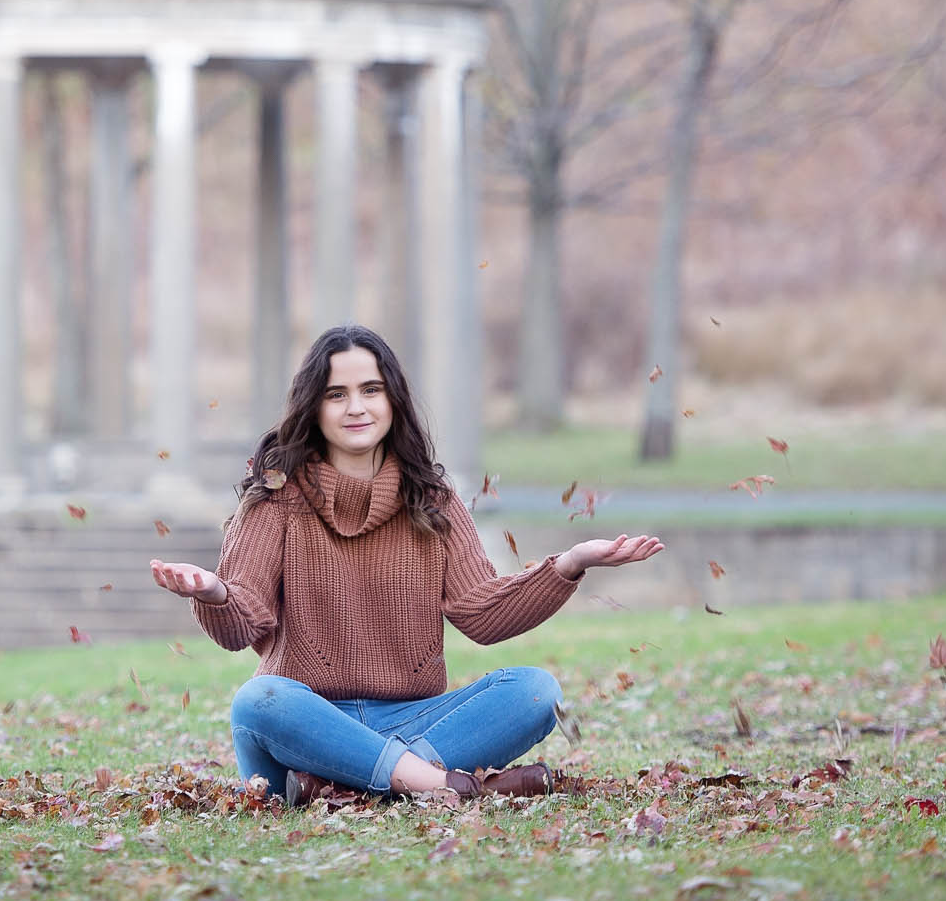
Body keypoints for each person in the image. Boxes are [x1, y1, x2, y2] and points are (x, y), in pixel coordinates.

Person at [149, 323, 665, 806]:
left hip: (415, 716)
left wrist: (569, 564)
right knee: (257, 699)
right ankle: (438, 784)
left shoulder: (432, 499)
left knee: (535, 691)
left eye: (371, 390)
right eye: (337, 394)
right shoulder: (274, 500)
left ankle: (338, 782)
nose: (357, 407)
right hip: (308, 718)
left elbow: (482, 614)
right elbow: (245, 623)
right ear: (314, 407)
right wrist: (215, 593)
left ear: (393, 399)